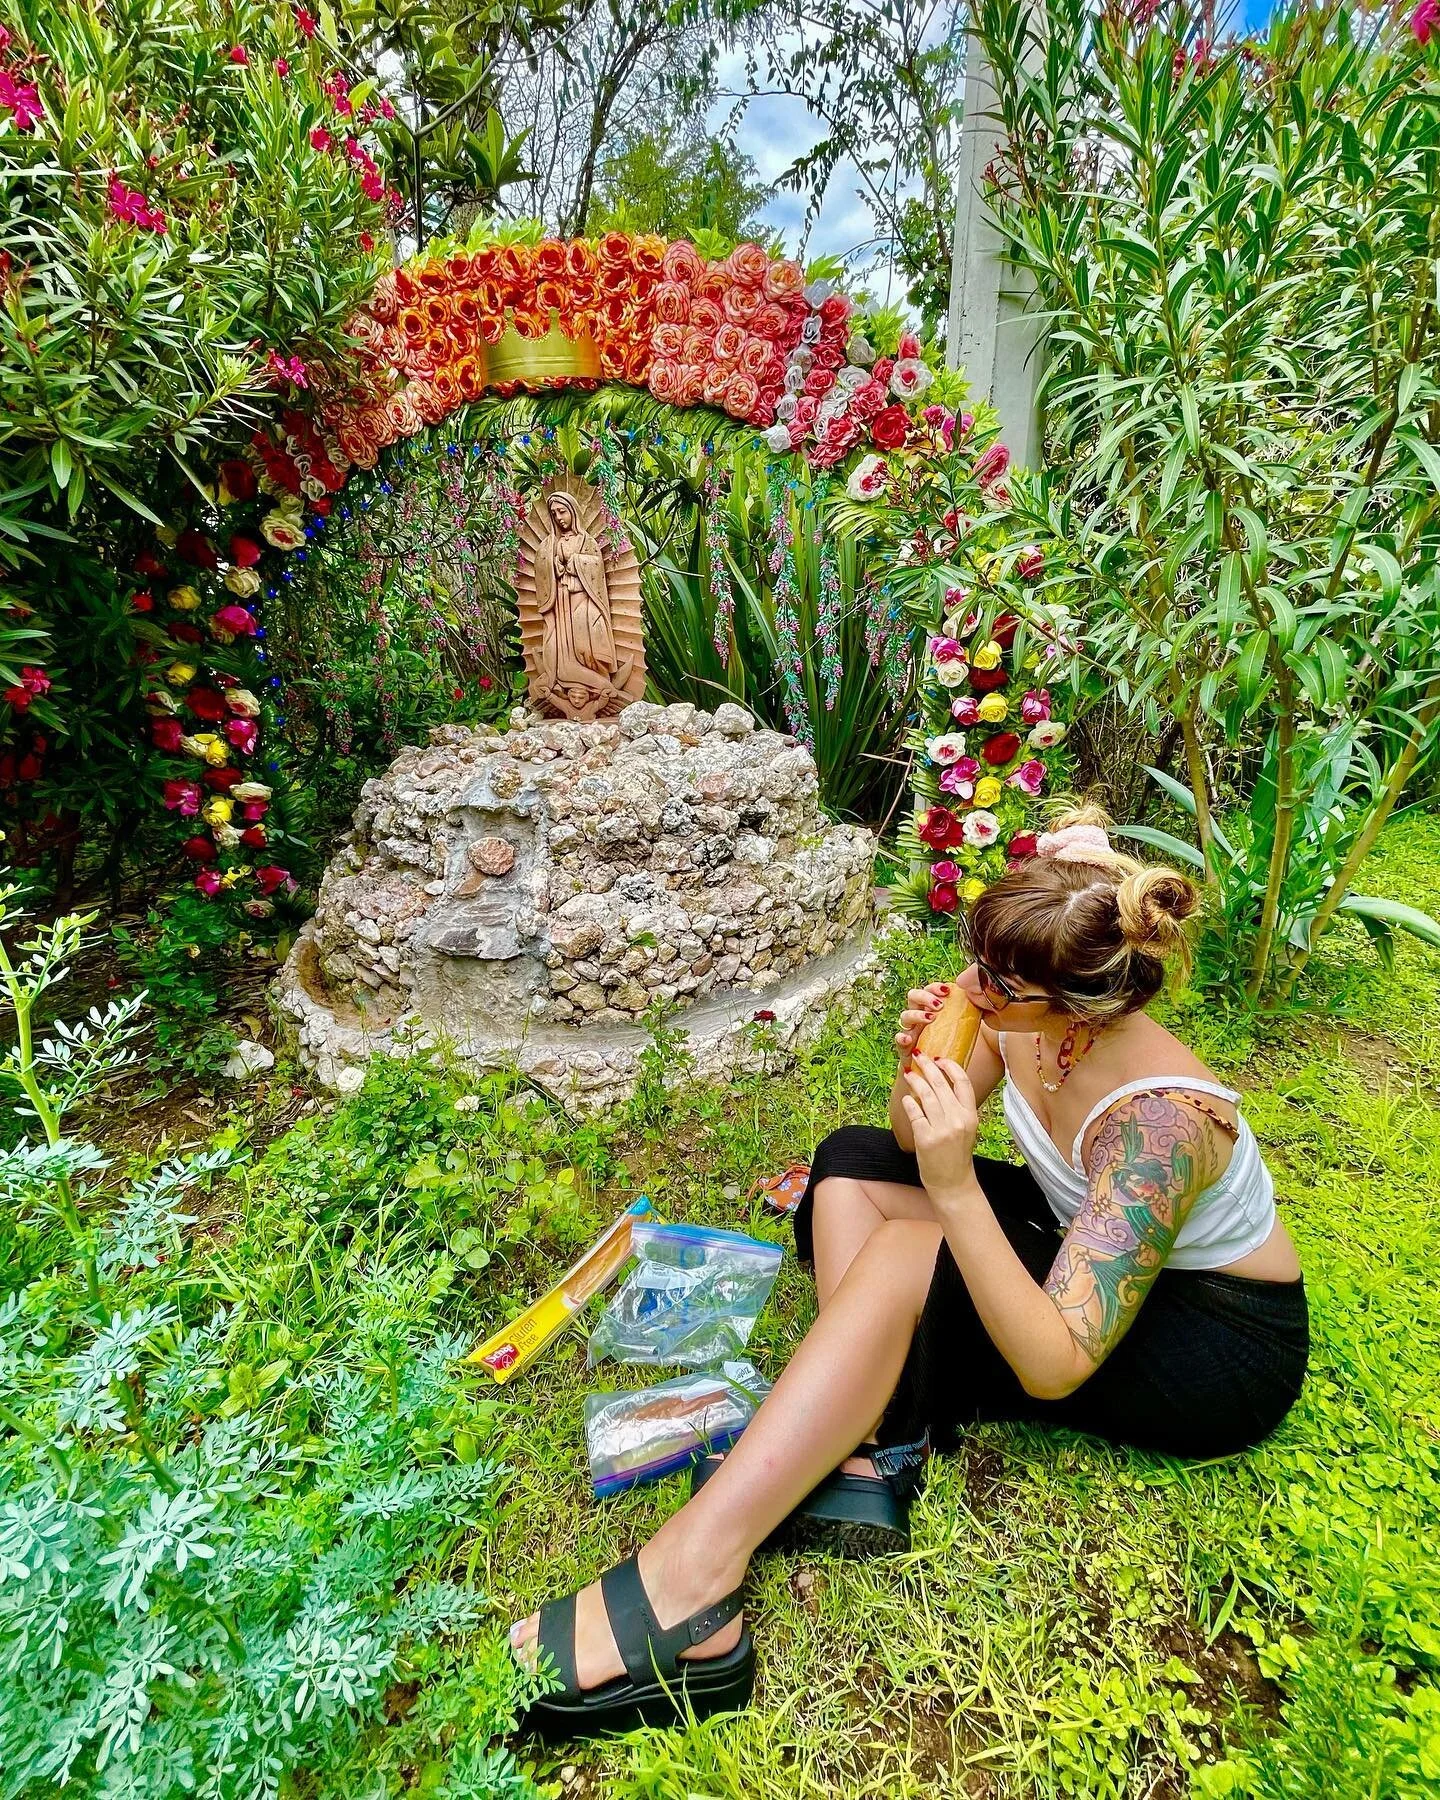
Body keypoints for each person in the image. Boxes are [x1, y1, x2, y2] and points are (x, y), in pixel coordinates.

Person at [510, 808, 1308, 1738]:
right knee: (848, 1168)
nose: (973, 986)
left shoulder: (1161, 1125)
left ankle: (693, 1581)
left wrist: (958, 1189)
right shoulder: (1020, 1014)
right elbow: (905, 1137)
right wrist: (916, 1071)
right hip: (1084, 1240)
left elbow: (1056, 1362)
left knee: (906, 1249)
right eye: (975, 960)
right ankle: (864, 1440)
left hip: (1213, 1341)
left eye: (995, 981)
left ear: (1079, 1005)